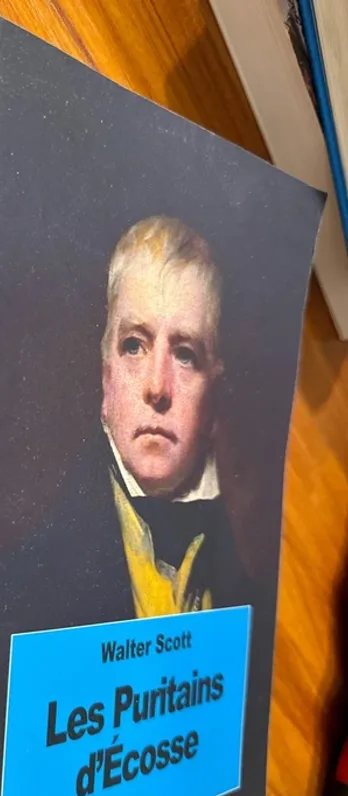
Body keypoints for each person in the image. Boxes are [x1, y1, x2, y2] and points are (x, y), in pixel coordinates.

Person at [100, 215, 248, 617]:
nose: (157, 387)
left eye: (185, 355)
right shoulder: (14, 586)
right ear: (107, 379)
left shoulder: (251, 586)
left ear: (213, 399)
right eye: (134, 346)